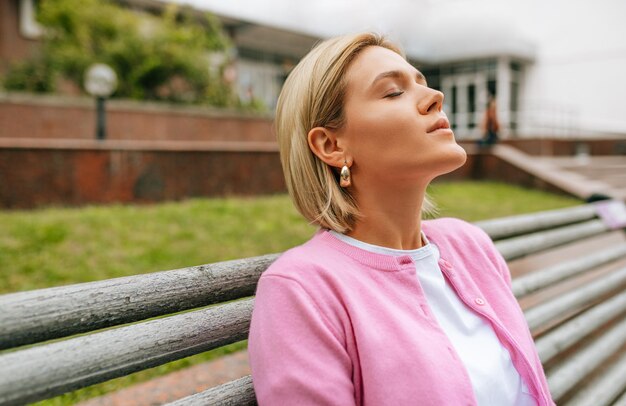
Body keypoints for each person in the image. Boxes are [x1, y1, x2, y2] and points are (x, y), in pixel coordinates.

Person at [248, 33, 554, 406]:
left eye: (422, 83)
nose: (435, 97)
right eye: (393, 92)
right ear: (331, 145)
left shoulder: (471, 245)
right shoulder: (300, 291)